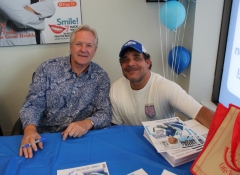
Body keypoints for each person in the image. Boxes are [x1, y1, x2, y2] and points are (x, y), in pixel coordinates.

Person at [19, 24, 112, 158]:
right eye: (78, 44)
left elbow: (105, 112)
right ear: (70, 46)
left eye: (89, 45)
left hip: (81, 140)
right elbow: (33, 105)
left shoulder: (101, 77)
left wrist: (86, 123)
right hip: (45, 139)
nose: (83, 50)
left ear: (95, 50)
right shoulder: (47, 69)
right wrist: (30, 130)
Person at [110, 40, 214, 128]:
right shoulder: (115, 89)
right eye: (125, 60)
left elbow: (202, 114)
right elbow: (115, 128)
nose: (130, 63)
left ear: (147, 62)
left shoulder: (166, 87)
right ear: (121, 65)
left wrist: (225, 134)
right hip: (134, 146)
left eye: (137, 58)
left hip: (166, 145)